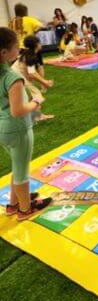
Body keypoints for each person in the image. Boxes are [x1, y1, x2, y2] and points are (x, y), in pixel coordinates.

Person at [0, 27, 52, 220]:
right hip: (17, 129)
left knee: (17, 165)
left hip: (3, 129)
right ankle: (24, 209)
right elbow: (18, 111)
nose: (19, 49)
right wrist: (36, 102)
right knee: (22, 171)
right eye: (16, 46)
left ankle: (14, 204)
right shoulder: (12, 77)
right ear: (4, 52)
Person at [12, 36, 54, 121]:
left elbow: (32, 72)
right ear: (36, 44)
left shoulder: (28, 54)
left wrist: (44, 81)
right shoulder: (30, 56)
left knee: (32, 94)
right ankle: (37, 116)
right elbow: (32, 74)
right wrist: (45, 82)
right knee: (37, 94)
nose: (41, 44)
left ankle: (35, 116)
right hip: (17, 77)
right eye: (39, 42)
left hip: (16, 76)